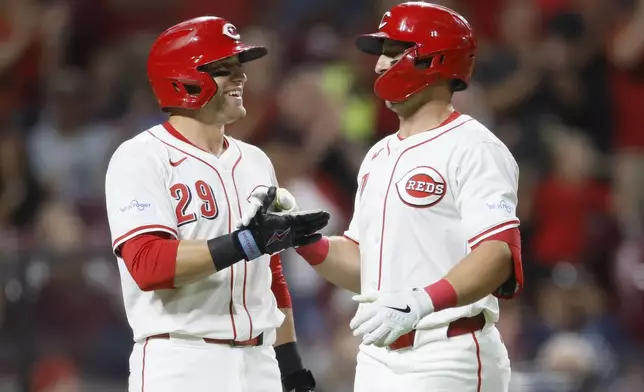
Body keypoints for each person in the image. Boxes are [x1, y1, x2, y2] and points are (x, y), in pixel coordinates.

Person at [294, 3, 523, 391]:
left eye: (392, 52)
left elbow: (498, 254)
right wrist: (304, 241)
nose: (380, 65)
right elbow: (366, 267)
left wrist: (421, 302)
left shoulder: (475, 146)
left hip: (449, 350)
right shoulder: (379, 154)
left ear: (434, 58)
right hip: (378, 354)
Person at [104, 16, 328, 392]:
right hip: (182, 360)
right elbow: (148, 263)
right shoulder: (141, 157)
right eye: (224, 69)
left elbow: (271, 275)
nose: (241, 78)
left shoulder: (256, 161)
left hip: (260, 362)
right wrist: (243, 243)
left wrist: (290, 367)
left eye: (239, 67)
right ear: (183, 78)